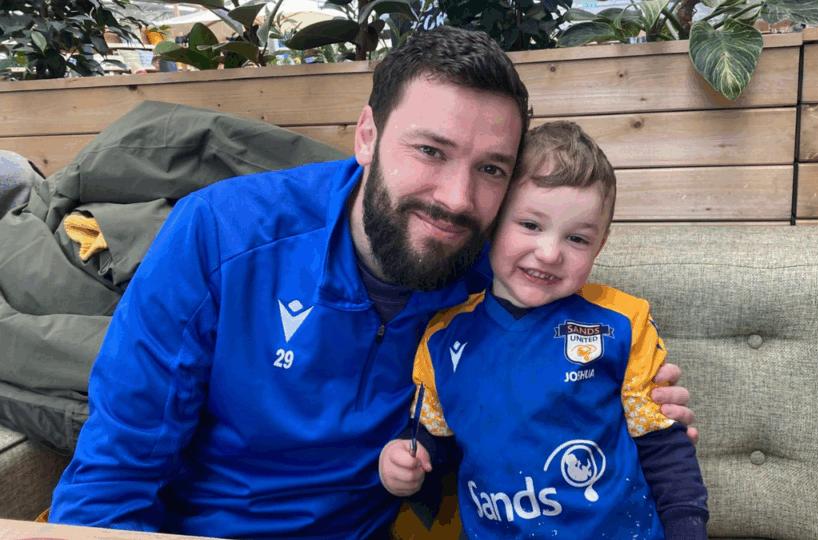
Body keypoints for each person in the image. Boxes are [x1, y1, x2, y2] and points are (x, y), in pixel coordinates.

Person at [51, 27, 694, 539]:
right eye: (431, 151)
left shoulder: (497, 277)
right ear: (367, 136)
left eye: (491, 168)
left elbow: (574, 370)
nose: (456, 198)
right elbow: (116, 472)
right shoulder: (221, 235)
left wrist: (639, 413)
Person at [379, 122, 708, 539]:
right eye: (531, 225)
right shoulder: (443, 338)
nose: (550, 253)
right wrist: (407, 460)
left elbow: (663, 447)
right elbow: (434, 442)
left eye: (576, 238)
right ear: (493, 222)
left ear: (600, 245)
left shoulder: (623, 322)